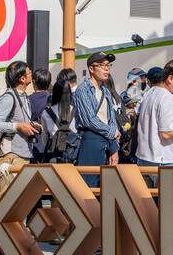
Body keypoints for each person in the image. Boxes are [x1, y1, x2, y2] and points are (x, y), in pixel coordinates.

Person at [0, 62, 40, 189]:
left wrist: (31, 125)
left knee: (20, 202)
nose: (31, 74)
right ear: (22, 79)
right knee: (8, 201)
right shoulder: (9, 98)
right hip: (10, 157)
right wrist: (18, 126)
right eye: (29, 72)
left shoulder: (24, 97)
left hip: (22, 155)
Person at [73, 52, 121, 181]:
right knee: (89, 185)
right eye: (101, 65)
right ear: (91, 69)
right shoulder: (83, 89)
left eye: (108, 65)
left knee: (105, 186)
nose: (106, 68)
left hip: (107, 140)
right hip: (90, 140)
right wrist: (113, 132)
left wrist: (114, 148)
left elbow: (111, 119)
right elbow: (89, 120)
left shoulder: (105, 91)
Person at [43, 69, 79, 163]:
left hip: (53, 155)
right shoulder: (76, 109)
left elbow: (44, 139)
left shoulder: (46, 112)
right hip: (73, 155)